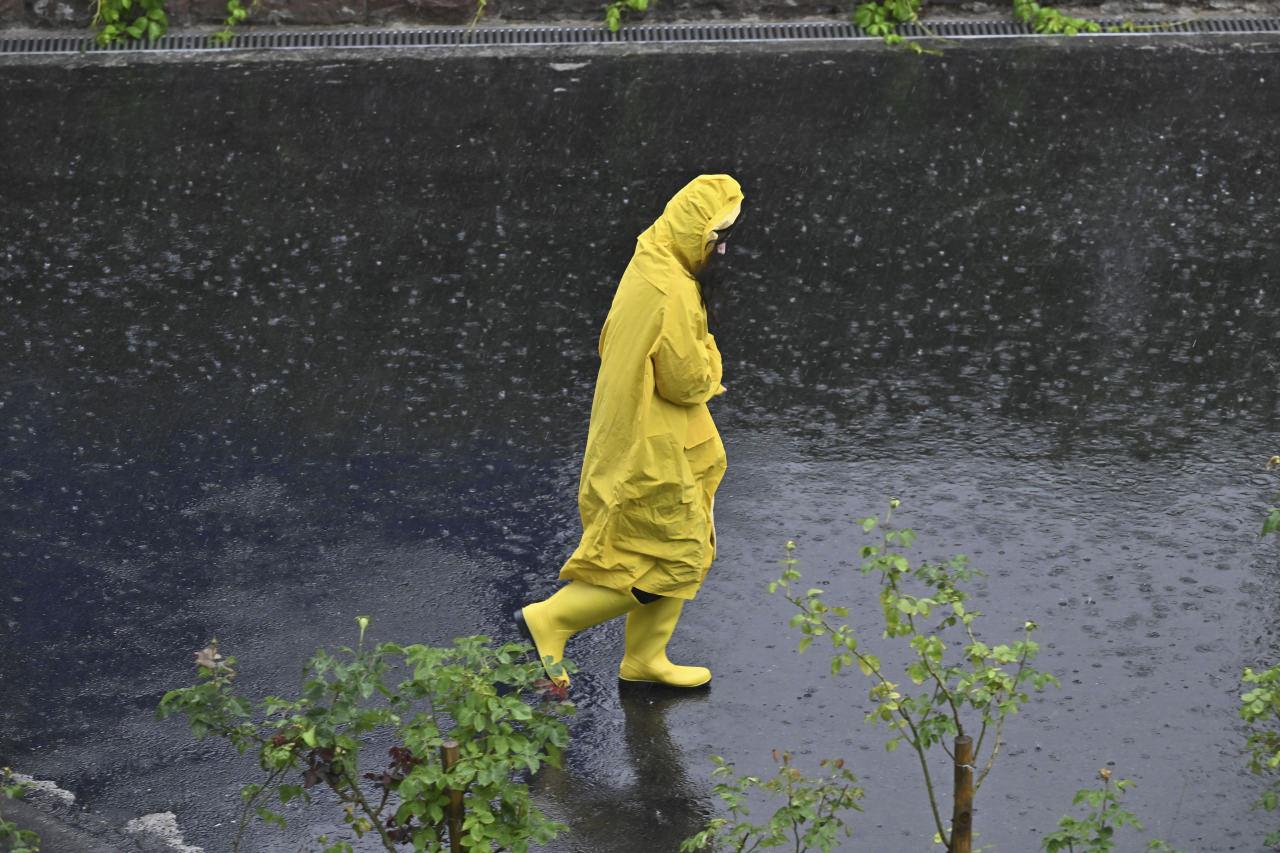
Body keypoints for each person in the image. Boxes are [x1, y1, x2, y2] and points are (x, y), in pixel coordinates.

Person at [515, 174, 744, 689]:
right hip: (654, 445)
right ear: (697, 234)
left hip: (641, 434)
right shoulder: (676, 292)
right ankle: (552, 619)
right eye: (718, 239)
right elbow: (687, 383)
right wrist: (712, 356)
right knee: (670, 554)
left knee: (665, 547)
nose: (723, 251)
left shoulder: (651, 260)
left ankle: (645, 659)